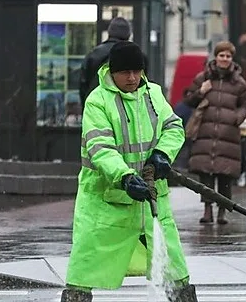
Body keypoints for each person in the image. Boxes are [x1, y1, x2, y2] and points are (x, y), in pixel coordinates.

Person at [62, 42, 198, 302]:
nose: (133, 78)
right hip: (105, 202)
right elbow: (99, 147)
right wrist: (124, 177)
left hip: (149, 198)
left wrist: (162, 154)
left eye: (137, 71)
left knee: (174, 264)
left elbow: (173, 127)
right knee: (85, 266)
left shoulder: (154, 94)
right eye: (126, 72)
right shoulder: (97, 101)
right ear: (112, 71)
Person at [183, 41, 246, 225]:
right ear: (216, 56)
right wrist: (200, 91)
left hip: (228, 134)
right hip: (206, 132)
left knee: (225, 175)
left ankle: (222, 212)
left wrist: (237, 117)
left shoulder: (239, 82)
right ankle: (207, 211)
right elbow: (188, 100)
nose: (224, 59)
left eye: (228, 56)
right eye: (221, 55)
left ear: (232, 58)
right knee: (206, 174)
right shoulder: (203, 77)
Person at [78, 17, 132, 106]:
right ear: (128, 35)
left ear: (109, 32)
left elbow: (83, 84)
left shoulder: (93, 54)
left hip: (96, 107)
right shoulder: (132, 56)